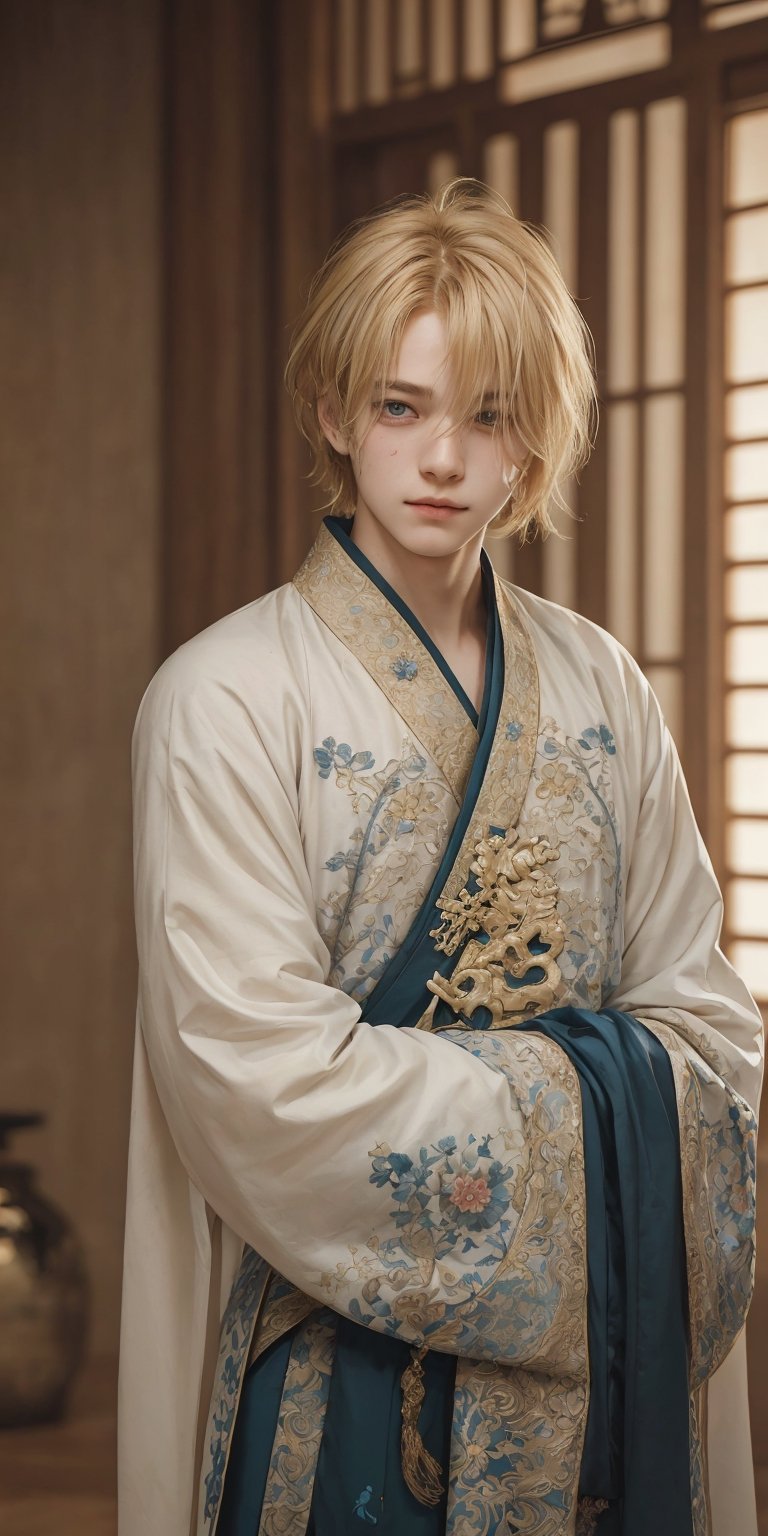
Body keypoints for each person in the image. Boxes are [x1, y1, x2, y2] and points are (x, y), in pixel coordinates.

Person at [119, 181, 763, 1536]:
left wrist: (592, 1097)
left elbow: (708, 1031)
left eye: (488, 415)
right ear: (333, 415)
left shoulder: (604, 690)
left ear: (533, 445)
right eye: (402, 407)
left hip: (590, 1397)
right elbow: (251, 1076)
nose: (442, 461)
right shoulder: (225, 697)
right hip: (331, 1366)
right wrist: (591, 1109)